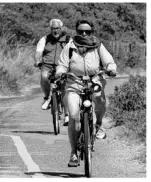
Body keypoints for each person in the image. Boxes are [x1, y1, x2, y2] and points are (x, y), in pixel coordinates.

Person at [55, 19, 117, 167]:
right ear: (76, 32)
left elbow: (108, 60)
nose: (84, 34)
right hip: (74, 83)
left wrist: (111, 68)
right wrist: (60, 73)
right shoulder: (70, 46)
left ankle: (98, 125)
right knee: (74, 117)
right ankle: (73, 152)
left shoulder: (98, 45)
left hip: (94, 81)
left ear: (92, 32)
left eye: (87, 31)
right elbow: (62, 64)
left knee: (99, 99)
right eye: (81, 31)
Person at [34, 19, 76, 125]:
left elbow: (74, 53)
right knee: (44, 77)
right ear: (50, 29)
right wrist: (38, 61)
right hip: (47, 65)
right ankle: (46, 98)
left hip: (62, 66)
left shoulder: (68, 39)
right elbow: (38, 52)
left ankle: (67, 115)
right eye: (53, 28)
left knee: (64, 88)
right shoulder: (45, 39)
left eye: (57, 28)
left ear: (61, 28)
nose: (55, 31)